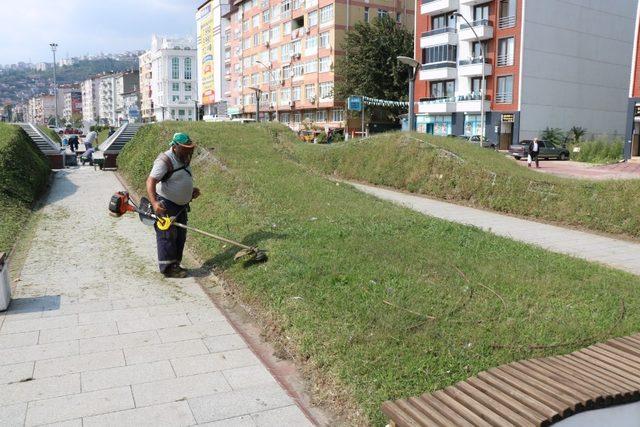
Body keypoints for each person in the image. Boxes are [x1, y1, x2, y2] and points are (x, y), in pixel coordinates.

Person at [146, 133, 201, 278]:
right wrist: (154, 203)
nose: (189, 151)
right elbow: (150, 181)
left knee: (180, 236)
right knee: (167, 235)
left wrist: (190, 192)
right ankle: (168, 268)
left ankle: (175, 264)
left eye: (190, 148)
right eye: (185, 148)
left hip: (181, 206)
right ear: (175, 147)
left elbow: (178, 178)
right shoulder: (165, 160)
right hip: (166, 204)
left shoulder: (183, 158)